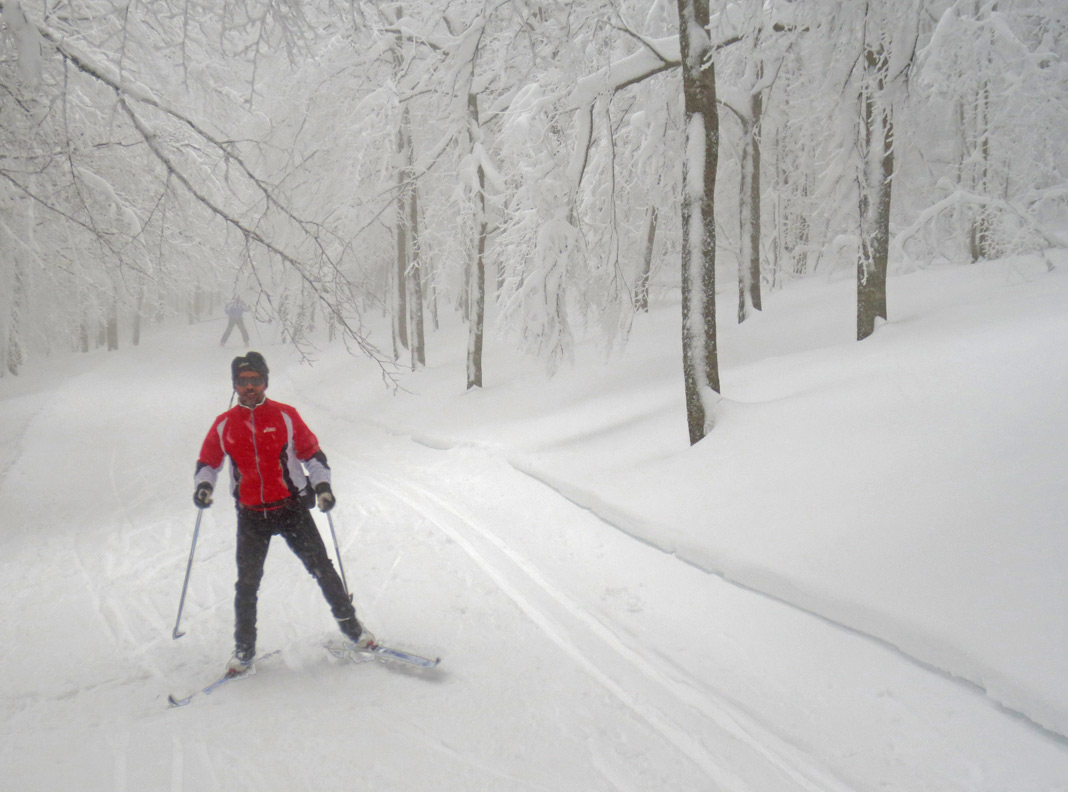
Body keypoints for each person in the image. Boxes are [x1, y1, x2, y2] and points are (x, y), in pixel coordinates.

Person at [192, 351, 372, 672]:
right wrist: (204, 485)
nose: (249, 387)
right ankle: (244, 651)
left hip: (291, 509)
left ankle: (354, 631)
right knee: (247, 584)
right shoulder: (224, 424)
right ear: (234, 385)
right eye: (242, 382)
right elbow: (208, 461)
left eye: (256, 380)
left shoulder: (285, 416)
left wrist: (322, 487)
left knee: (322, 569)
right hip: (251, 515)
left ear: (265, 382)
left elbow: (312, 454)